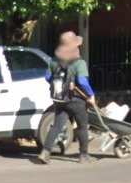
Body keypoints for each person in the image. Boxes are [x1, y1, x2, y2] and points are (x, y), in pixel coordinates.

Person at [37, 30, 96, 164]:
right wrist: (91, 95)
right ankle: (83, 155)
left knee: (57, 126)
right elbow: (82, 81)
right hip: (76, 99)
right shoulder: (79, 63)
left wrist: (59, 85)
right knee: (82, 126)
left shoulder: (53, 61)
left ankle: (45, 152)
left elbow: (47, 77)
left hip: (59, 99)